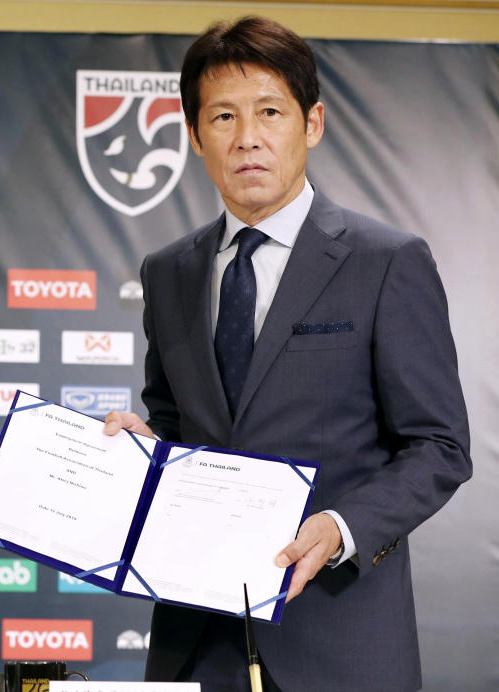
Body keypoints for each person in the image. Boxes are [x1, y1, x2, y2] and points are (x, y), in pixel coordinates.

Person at [103, 17, 471, 692]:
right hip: (200, 640)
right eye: (222, 117)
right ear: (194, 136)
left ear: (313, 123)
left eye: (269, 111)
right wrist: (141, 449)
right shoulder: (168, 272)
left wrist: (340, 527)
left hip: (340, 641)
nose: (247, 137)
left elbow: (440, 446)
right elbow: (181, 428)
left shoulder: (385, 261)